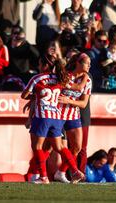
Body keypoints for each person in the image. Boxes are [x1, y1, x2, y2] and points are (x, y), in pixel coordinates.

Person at [21, 56, 84, 184]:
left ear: (45, 65)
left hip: (42, 116)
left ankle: (43, 177)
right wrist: (86, 77)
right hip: (56, 117)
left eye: (40, 64)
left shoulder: (37, 78)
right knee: (60, 146)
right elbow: (78, 88)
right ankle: (75, 171)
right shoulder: (60, 78)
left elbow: (24, 95)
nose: (39, 67)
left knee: (37, 146)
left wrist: (37, 95)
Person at [54, 53, 92, 183]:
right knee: (51, 146)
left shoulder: (88, 80)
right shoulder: (66, 75)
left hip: (73, 116)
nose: (89, 65)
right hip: (57, 114)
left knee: (77, 147)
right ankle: (38, 172)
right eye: (87, 63)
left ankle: (61, 172)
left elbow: (83, 103)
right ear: (78, 63)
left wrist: (68, 101)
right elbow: (76, 87)